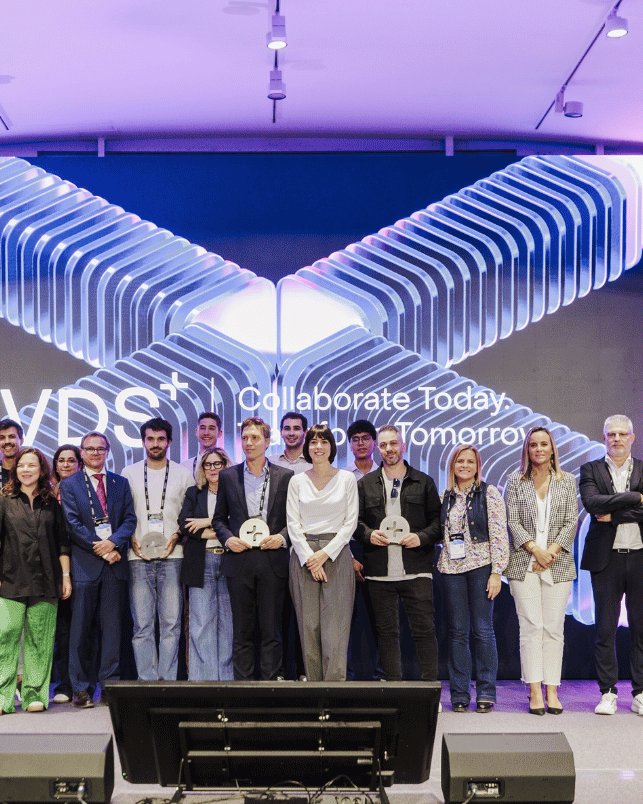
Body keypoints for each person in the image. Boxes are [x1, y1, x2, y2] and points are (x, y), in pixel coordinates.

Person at [356, 424, 441, 682]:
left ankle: (430, 690)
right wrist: (369, 534)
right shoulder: (365, 484)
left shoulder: (423, 482)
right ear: (377, 449)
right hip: (379, 573)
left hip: (416, 570)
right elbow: (355, 523)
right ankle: (394, 689)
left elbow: (438, 523)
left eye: (393, 443)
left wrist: (421, 537)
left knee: (424, 631)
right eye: (383, 445)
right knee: (386, 634)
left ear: (403, 445)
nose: (389, 449)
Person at [504, 426, 578, 715]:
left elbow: (571, 521)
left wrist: (551, 553)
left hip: (558, 564)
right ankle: (535, 690)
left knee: (554, 629)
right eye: (533, 444)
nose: (538, 449)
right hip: (524, 563)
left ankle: (552, 690)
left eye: (543, 444)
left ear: (552, 448)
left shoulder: (567, 480)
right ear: (527, 449)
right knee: (531, 627)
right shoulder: (515, 480)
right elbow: (512, 521)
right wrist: (536, 550)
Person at [60, 431, 136, 708]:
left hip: (115, 565)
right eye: (90, 449)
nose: (95, 453)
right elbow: (72, 524)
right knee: (80, 631)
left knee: (113, 631)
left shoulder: (119, 483)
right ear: (82, 452)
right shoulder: (69, 484)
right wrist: (102, 548)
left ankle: (109, 686)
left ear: (107, 451)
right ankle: (80, 688)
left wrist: (113, 543)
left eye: (100, 449)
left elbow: (129, 519)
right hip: (85, 566)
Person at [213, 417, 293, 680]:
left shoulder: (285, 476)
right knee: (242, 630)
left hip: (273, 560)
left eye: (255, 438)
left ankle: (271, 686)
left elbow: (293, 520)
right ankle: (243, 689)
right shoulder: (228, 476)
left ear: (267, 442)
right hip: (240, 560)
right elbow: (218, 519)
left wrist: (281, 537)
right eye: (245, 438)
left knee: (271, 630)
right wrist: (228, 539)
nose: (249, 443)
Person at [579, 414, 642, 716]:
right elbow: (592, 504)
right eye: (611, 434)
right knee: (605, 628)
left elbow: (604, 509)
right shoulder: (590, 469)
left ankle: (640, 692)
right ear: (604, 438)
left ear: (632, 438)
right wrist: (636, 498)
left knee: (641, 628)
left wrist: (614, 513)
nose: (616, 439)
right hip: (606, 559)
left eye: (622, 434)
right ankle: (608, 692)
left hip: (640, 557)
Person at [0, 447, 71, 714]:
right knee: (5, 636)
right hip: (10, 579)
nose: (25, 470)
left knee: (40, 639)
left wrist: (66, 576)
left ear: (41, 470)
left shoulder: (51, 503)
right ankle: (3, 697)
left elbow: (62, 543)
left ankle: (33, 695)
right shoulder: (4, 500)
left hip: (47, 579)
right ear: (15, 470)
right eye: (21, 465)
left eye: (31, 465)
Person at [438, 444, 509, 712]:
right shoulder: (445, 496)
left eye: (470, 461)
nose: (465, 466)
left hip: (481, 566)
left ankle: (486, 691)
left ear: (478, 466)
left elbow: (499, 534)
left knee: (483, 630)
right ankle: (459, 693)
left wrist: (496, 572)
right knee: (457, 632)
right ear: (453, 465)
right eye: (460, 461)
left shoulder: (488, 493)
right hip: (451, 569)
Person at [122, 418, 193, 681]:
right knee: (142, 625)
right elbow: (122, 514)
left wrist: (177, 536)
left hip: (173, 556)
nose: (155, 444)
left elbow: (189, 514)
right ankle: (147, 682)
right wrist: (130, 538)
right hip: (138, 556)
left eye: (160, 439)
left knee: (171, 624)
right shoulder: (128, 473)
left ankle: (168, 681)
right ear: (143, 441)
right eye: (150, 439)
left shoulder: (183, 474)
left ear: (169, 442)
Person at [286, 424, 358, 681]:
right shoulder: (297, 481)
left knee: (335, 629)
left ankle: (334, 689)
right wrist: (310, 558)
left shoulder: (347, 479)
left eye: (324, 441)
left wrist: (324, 554)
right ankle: (314, 689)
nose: (318, 447)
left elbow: (350, 523)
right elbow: (292, 524)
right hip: (303, 556)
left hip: (336, 554)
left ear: (331, 447)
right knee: (309, 627)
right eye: (313, 442)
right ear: (307, 447)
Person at [179, 447, 234, 680]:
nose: (212, 469)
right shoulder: (194, 492)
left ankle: (227, 680)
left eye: (217, 464)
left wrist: (205, 521)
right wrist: (213, 532)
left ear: (225, 465)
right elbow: (184, 524)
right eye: (208, 464)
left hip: (230, 561)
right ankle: (204, 681)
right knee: (201, 623)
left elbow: (239, 521)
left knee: (228, 622)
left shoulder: (234, 492)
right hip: (201, 561)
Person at [50, 444, 83, 704]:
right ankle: (63, 684)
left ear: (79, 464)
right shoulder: (47, 495)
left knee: (80, 628)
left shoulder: (88, 492)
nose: (66, 465)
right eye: (61, 460)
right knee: (61, 629)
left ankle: (82, 682)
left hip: (83, 563)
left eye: (71, 460)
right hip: (54, 567)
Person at [181, 412, 222, 479]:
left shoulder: (232, 467)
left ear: (220, 433)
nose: (206, 433)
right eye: (202, 428)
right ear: (196, 432)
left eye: (211, 428)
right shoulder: (184, 468)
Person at [0, 418, 24, 489]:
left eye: (12, 437)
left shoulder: (29, 471)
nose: (7, 441)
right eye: (2, 438)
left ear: (21, 440)